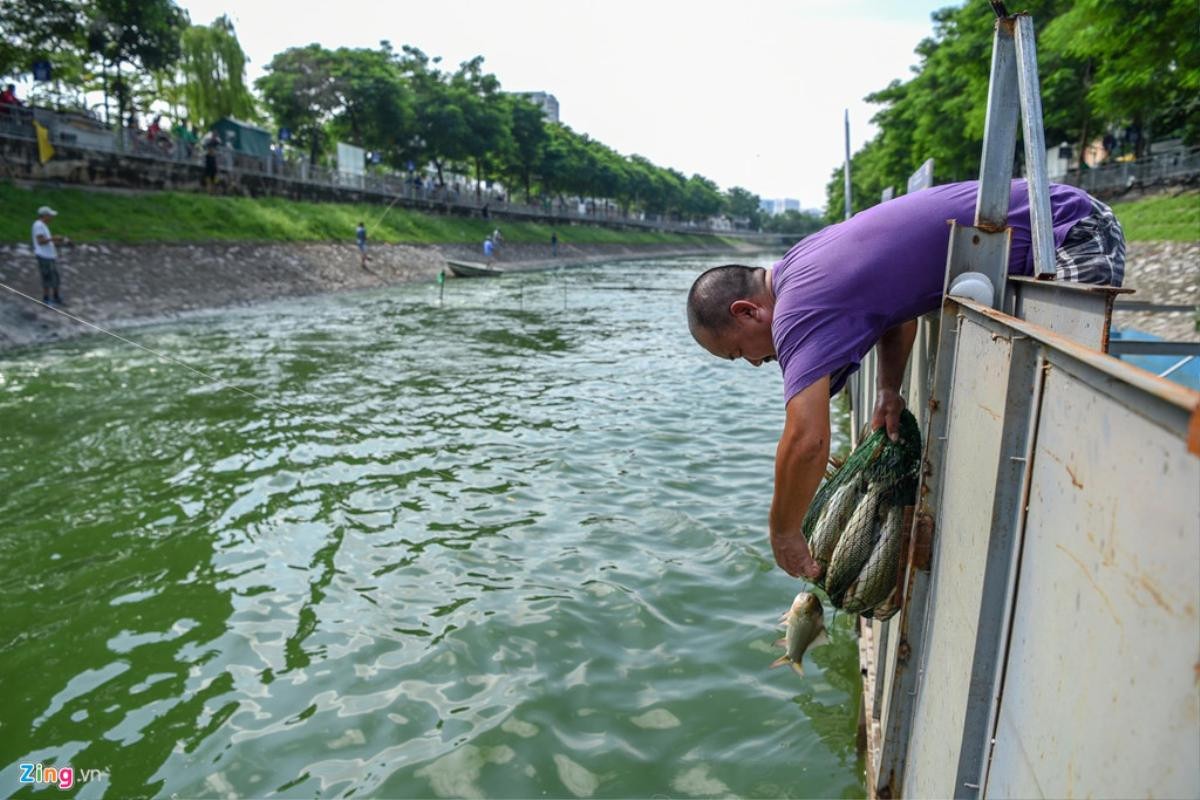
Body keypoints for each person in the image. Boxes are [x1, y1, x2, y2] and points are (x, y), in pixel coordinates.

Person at [686, 179, 1125, 580]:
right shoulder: (799, 266)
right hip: (1057, 212)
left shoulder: (797, 309)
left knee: (1063, 414)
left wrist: (783, 533)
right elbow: (894, 316)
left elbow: (807, 440)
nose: (754, 362)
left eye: (739, 352)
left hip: (1069, 230)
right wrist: (888, 391)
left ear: (746, 311)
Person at [31, 206, 69, 306]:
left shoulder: (43, 225)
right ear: (45, 215)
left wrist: (58, 241)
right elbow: (40, 241)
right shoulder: (38, 225)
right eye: (50, 215)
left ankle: (56, 297)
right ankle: (46, 299)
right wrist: (53, 238)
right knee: (47, 278)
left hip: (50, 256)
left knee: (55, 277)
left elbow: (46, 241)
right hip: (44, 257)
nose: (52, 217)